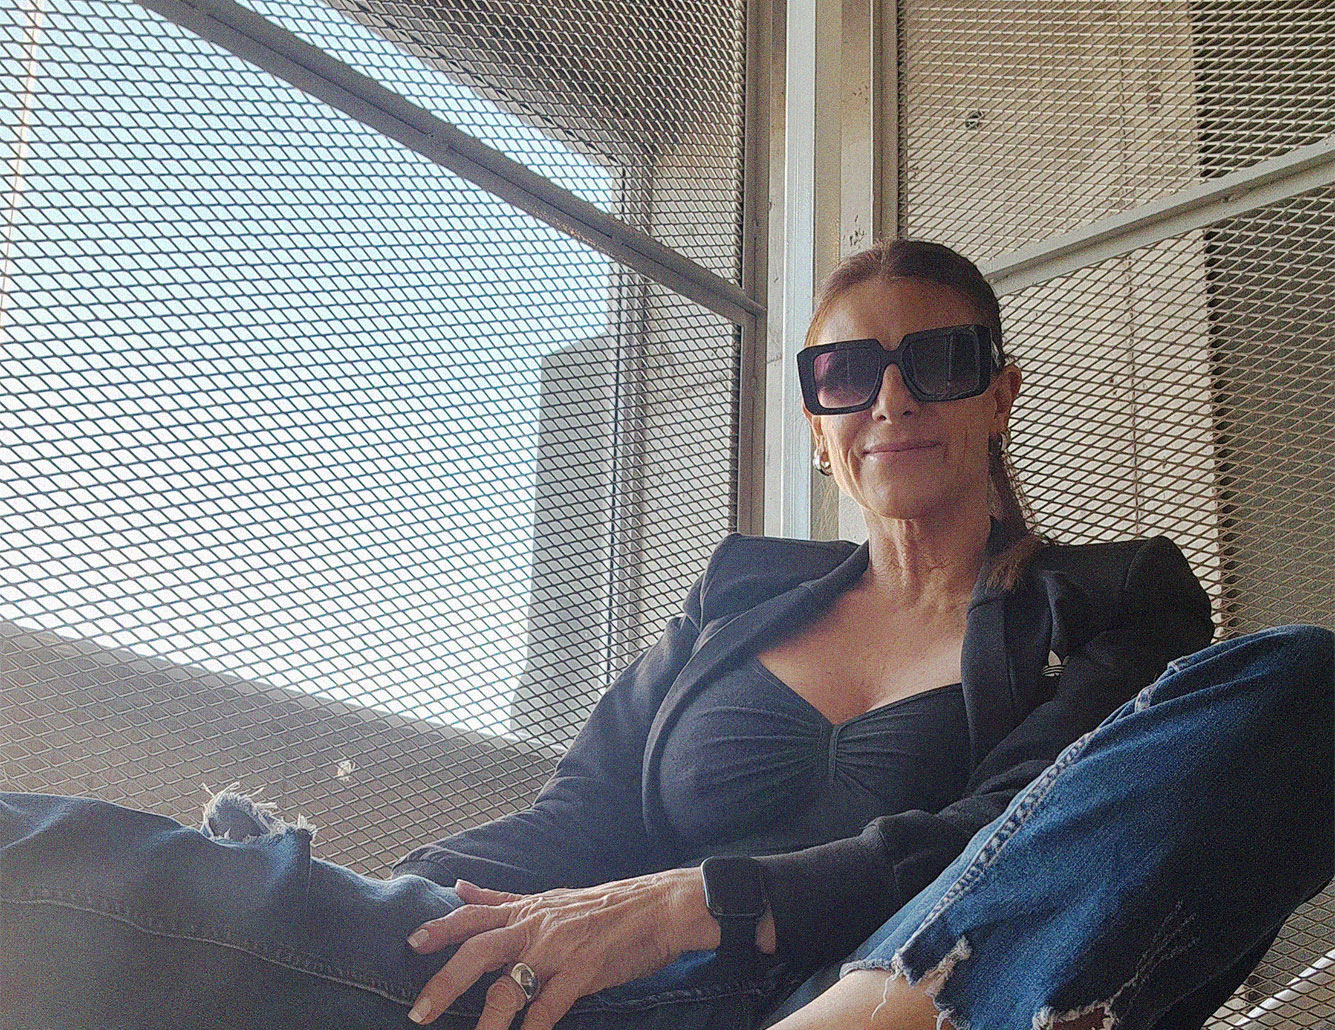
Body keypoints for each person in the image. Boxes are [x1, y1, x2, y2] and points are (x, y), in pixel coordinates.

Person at [1, 240, 1330, 1030]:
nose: (890, 399)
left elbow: (1010, 836)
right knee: (105, 873)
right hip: (602, 1000)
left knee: (1302, 686)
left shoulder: (1115, 599)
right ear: (818, 425)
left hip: (902, 981)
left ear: (1000, 393)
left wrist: (705, 900)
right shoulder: (740, 591)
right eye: (845, 372)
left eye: (937, 361)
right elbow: (578, 815)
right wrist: (385, 909)